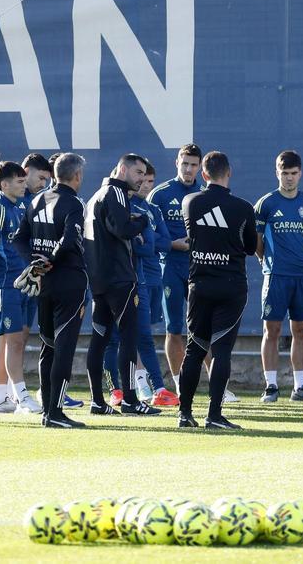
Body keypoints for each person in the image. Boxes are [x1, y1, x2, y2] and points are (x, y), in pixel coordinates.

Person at [177, 152, 258, 430]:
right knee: (222, 350)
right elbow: (249, 247)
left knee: (195, 349)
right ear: (229, 172)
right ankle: (214, 415)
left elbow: (193, 236)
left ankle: (184, 414)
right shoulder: (244, 207)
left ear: (204, 174)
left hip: (199, 285)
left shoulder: (190, 201)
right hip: (231, 287)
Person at [13, 153, 90, 428]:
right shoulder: (74, 203)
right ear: (77, 176)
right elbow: (69, 240)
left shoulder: (36, 199)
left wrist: (34, 262)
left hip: (44, 282)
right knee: (64, 348)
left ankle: (49, 411)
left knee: (48, 346)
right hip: (68, 280)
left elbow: (19, 238)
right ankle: (55, 412)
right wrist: (51, 260)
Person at [84, 154, 158, 416]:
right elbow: (123, 229)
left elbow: (113, 231)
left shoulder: (95, 196)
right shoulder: (115, 193)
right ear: (122, 169)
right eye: (138, 172)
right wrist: (142, 221)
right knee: (128, 336)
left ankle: (97, 401)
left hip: (99, 279)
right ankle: (129, 399)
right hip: (120, 279)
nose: (141, 179)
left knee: (99, 339)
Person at [255, 151, 303, 404]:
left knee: (301, 331)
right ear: (277, 173)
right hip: (276, 276)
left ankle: (300, 387)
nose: (289, 178)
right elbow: (257, 242)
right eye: (285, 173)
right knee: (271, 330)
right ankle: (271, 386)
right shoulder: (266, 203)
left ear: (300, 173)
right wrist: (267, 261)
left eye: (293, 173)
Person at [0, 162, 41, 415]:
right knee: (12, 341)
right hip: (4, 285)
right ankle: (21, 396)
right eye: (19, 181)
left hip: (23, 283)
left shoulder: (21, 206)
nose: (24, 184)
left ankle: (0, 399)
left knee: (12, 342)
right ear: (4, 184)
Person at [148, 144, 203, 395]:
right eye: (185, 164)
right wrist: (171, 244)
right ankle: (180, 384)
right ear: (176, 164)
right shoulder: (160, 194)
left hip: (199, 268)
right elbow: (147, 236)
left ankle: (217, 385)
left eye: (193, 164)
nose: (189, 169)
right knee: (174, 328)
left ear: (200, 167)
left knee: (202, 327)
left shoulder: (205, 194)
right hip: (170, 267)